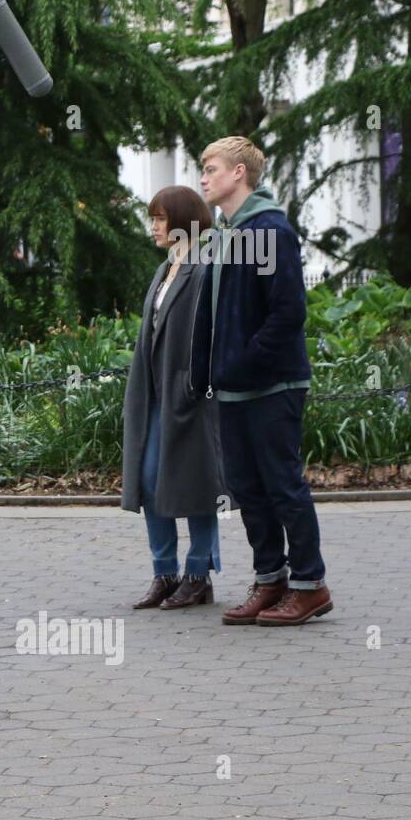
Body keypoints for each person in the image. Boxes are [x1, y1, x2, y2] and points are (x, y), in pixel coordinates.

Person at [192, 136, 332, 626]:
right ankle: (271, 579)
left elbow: (288, 313)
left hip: (272, 385)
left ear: (239, 174)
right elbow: (213, 316)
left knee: (282, 486)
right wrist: (207, 372)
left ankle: (310, 585)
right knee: (248, 490)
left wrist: (242, 364)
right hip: (233, 388)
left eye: (210, 168)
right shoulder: (224, 235)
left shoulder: (269, 232)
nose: (203, 178)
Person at [122, 186, 228, 609]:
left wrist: (195, 383)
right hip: (153, 394)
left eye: (161, 219)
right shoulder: (166, 267)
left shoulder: (204, 266)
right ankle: (164, 572)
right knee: (149, 482)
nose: (153, 227)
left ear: (183, 221)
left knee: (198, 485)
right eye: (153, 218)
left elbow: (215, 331)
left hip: (190, 397)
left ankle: (198, 574)